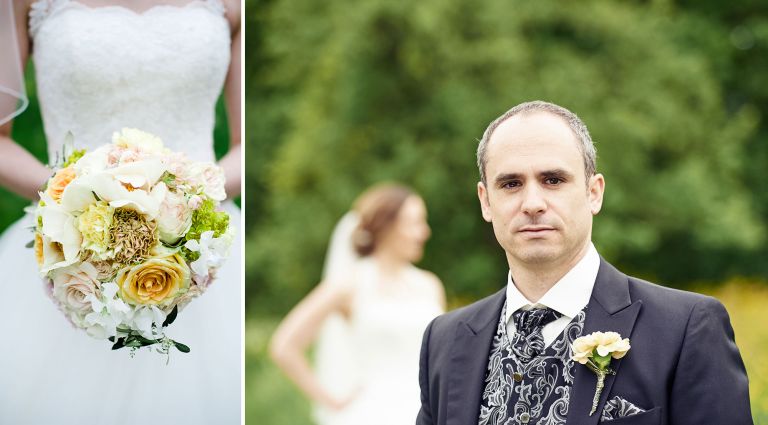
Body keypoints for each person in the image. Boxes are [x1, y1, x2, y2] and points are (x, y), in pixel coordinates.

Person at [416, 101, 752, 425]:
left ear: (594, 192)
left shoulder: (686, 328)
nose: (532, 203)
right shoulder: (444, 341)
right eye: (511, 184)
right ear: (486, 201)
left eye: (553, 180)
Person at [0, 1, 241, 423]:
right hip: (68, 244)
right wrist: (74, 199)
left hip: (201, 237)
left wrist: (184, 195)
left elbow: (247, 147)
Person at [270, 183, 446, 425]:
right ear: (387, 225)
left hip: (431, 412)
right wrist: (333, 403)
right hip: (373, 413)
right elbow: (284, 346)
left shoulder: (429, 285)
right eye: (415, 222)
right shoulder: (349, 285)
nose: (424, 232)